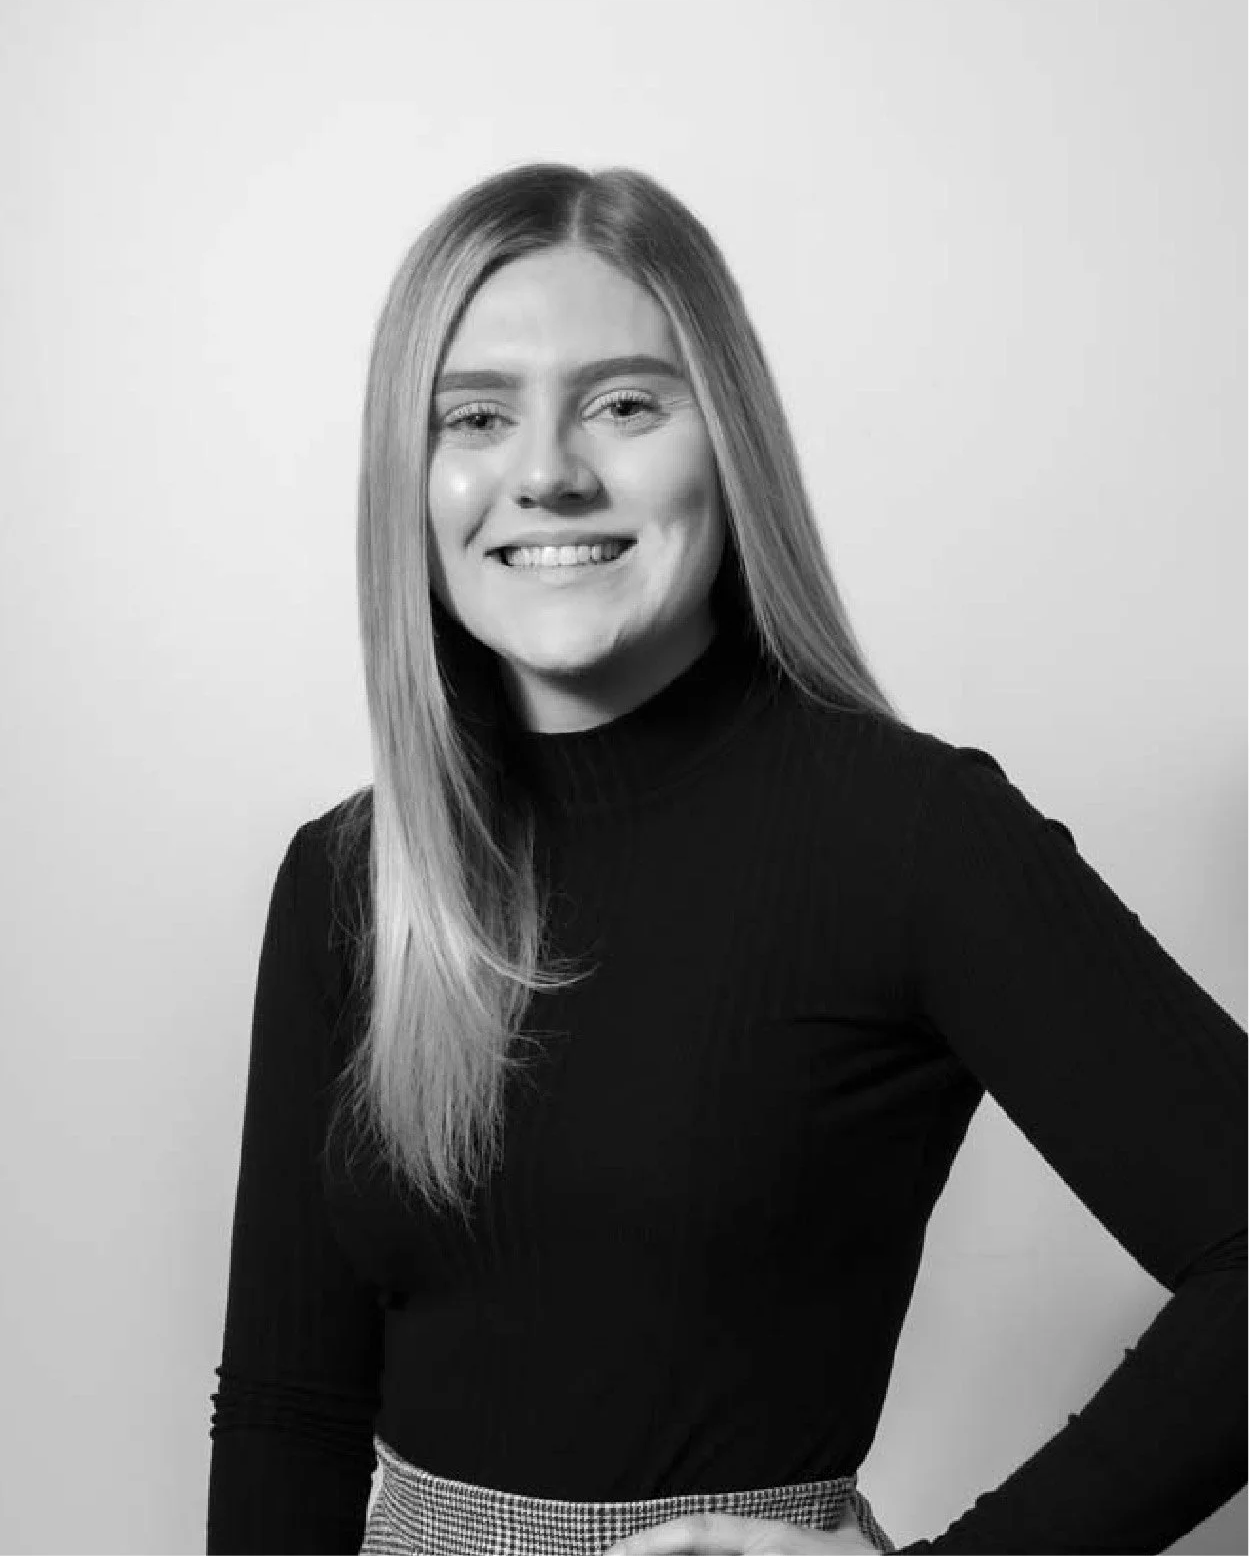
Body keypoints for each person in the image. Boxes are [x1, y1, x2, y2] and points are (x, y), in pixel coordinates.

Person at [206, 163, 1247, 1556]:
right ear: (412, 474)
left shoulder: (908, 834)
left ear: (729, 443)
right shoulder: (349, 875)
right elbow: (290, 1413)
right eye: (474, 414)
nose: (547, 470)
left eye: (624, 402)